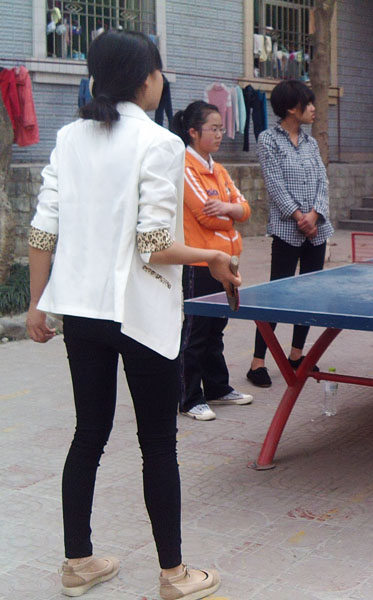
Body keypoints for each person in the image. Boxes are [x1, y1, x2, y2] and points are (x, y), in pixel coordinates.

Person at [25, 31, 233, 599]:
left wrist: (36, 303)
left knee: (88, 434)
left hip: (81, 312)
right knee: (158, 443)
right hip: (139, 314)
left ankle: (78, 563)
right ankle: (174, 575)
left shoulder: (69, 138)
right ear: (146, 79)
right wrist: (213, 255)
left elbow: (43, 229)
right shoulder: (159, 142)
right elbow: (154, 245)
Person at [246, 79, 333, 386]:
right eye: (308, 103)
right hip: (287, 230)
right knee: (277, 295)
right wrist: (298, 217)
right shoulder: (268, 139)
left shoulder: (312, 143)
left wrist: (315, 214)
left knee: (308, 295)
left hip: (317, 230)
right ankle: (258, 362)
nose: (313, 108)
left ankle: (297, 355)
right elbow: (274, 184)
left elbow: (323, 181)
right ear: (292, 108)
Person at [171, 101, 253, 421]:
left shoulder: (218, 169)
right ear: (193, 132)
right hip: (201, 262)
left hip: (228, 260)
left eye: (221, 128)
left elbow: (244, 208)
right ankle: (189, 398)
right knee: (196, 332)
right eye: (213, 129)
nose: (220, 134)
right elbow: (206, 216)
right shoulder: (185, 167)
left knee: (216, 328)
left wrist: (229, 209)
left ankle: (217, 388)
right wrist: (231, 213)